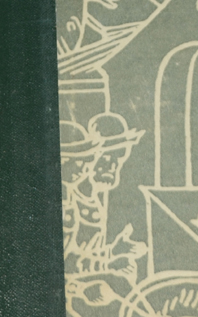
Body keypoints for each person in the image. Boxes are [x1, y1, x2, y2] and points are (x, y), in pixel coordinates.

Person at [60, 113, 146, 284]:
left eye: (119, 159)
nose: (113, 166)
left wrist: (114, 251)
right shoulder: (69, 201)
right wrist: (108, 264)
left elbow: (85, 255)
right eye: (106, 158)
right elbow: (68, 261)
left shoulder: (94, 203)